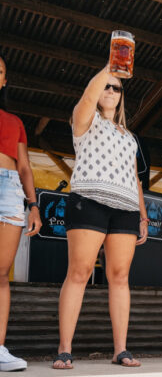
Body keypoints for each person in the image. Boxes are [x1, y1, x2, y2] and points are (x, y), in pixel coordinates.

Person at [53, 66, 148, 369]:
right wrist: (109, 68)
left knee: (120, 278)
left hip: (126, 208)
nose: (110, 90)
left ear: (122, 97)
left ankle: (120, 349)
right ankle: (64, 349)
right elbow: (86, 99)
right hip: (89, 200)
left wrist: (143, 215)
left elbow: (135, 178)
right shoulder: (85, 118)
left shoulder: (130, 137)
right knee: (79, 273)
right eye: (106, 86)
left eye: (116, 87)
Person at [0, 55, 41, 372]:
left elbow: (25, 167)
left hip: (10, 188)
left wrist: (33, 205)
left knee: (1, 274)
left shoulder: (14, 122)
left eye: (0, 71)